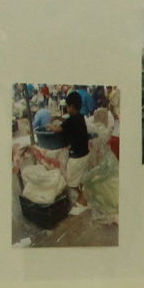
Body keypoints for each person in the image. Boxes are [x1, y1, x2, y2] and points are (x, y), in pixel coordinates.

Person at [57, 88, 92, 216]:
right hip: (85, 153)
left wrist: (51, 126)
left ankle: (82, 199)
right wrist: (59, 119)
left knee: (71, 180)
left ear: (71, 106)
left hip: (77, 156)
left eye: (67, 106)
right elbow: (66, 123)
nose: (66, 108)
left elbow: (58, 129)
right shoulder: (80, 117)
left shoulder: (71, 120)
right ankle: (83, 197)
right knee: (81, 177)